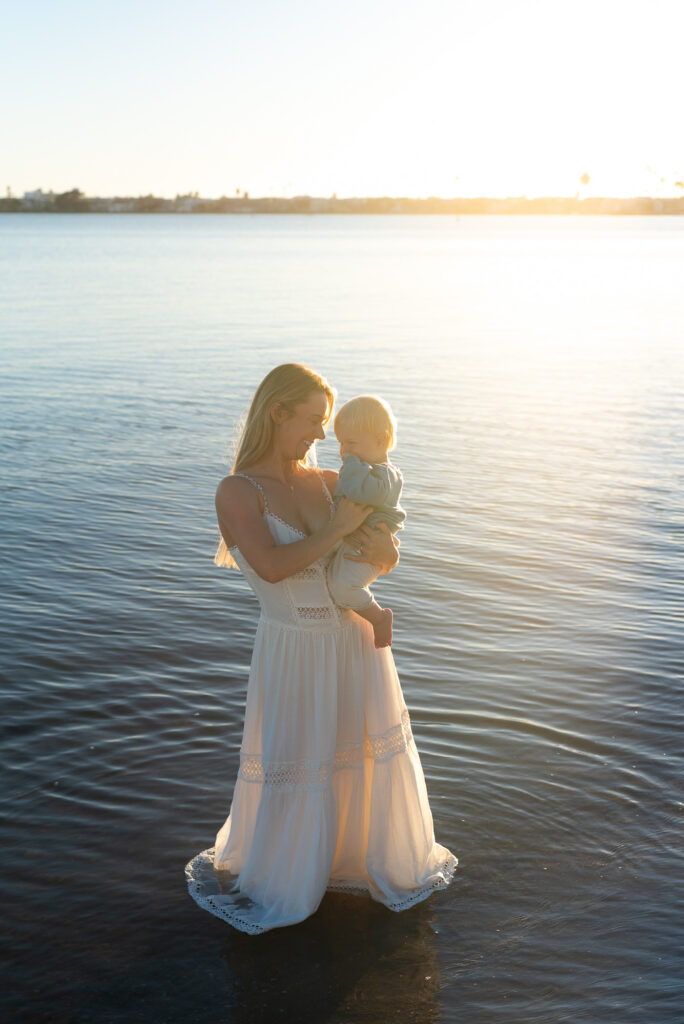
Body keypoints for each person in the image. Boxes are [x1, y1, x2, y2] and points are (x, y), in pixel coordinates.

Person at [185, 363, 457, 935]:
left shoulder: (332, 482)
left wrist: (384, 549)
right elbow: (273, 567)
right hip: (294, 648)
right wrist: (339, 531)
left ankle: (352, 861)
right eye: (312, 420)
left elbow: (381, 557)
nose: (321, 434)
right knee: (301, 762)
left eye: (326, 423)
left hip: (355, 644)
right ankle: (291, 880)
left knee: (358, 759)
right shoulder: (238, 491)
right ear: (276, 412)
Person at [327, 394, 405, 650]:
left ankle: (379, 617)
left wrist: (351, 463)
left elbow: (361, 492)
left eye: (350, 443)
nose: (343, 451)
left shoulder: (385, 475)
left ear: (380, 441)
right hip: (351, 540)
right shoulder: (363, 469)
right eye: (340, 443)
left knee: (344, 588)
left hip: (365, 547)